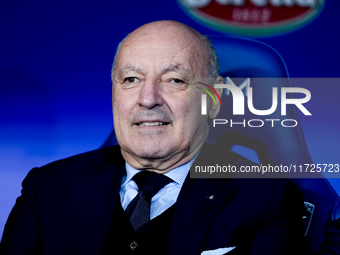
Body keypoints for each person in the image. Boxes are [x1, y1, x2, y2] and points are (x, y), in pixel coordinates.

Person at [0, 20, 306, 255]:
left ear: (213, 100)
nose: (148, 99)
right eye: (131, 79)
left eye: (174, 80)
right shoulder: (46, 188)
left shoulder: (267, 198)